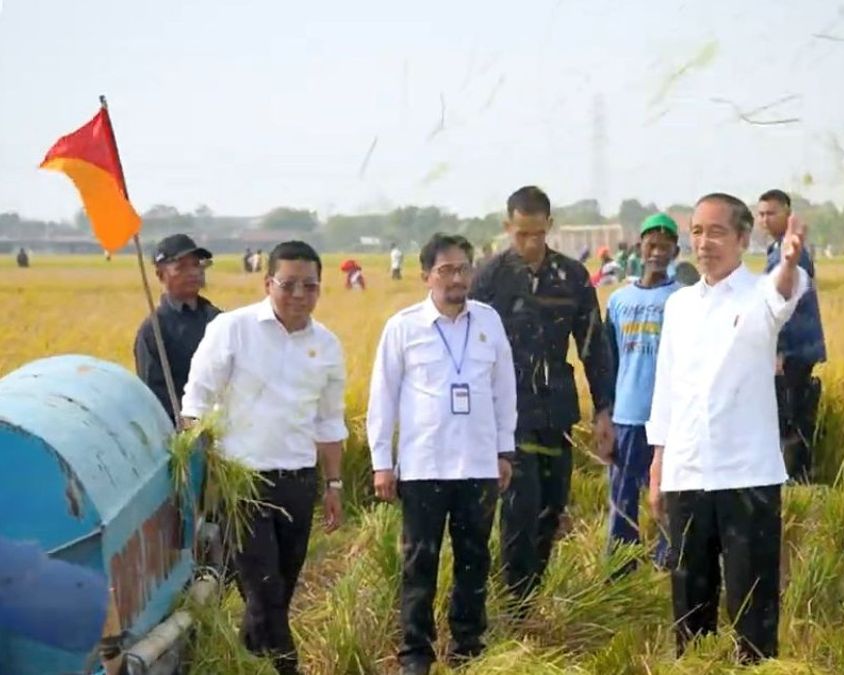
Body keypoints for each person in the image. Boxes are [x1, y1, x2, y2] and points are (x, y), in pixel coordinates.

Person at [646, 193, 810, 664]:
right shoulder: (678, 305)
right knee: (689, 610)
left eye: (716, 232)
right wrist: (659, 464)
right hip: (687, 475)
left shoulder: (759, 294)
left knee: (752, 608)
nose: (704, 242)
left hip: (747, 478)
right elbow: (667, 390)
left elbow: (783, 292)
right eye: (697, 232)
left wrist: (791, 261)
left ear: (743, 238)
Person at [181, 241, 347, 675]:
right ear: (267, 282)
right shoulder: (232, 329)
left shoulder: (326, 345)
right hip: (244, 482)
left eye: (309, 286)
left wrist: (334, 485)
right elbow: (195, 404)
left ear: (319, 288)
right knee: (265, 592)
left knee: (277, 594)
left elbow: (329, 423)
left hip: (297, 482)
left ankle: (244, 665)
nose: (298, 295)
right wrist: (197, 466)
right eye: (288, 285)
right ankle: (290, 669)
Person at [367, 233, 517, 675]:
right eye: (445, 269)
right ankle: (416, 653)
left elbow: (503, 391)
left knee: (475, 560)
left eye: (463, 268)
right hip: (423, 466)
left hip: (477, 465)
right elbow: (383, 397)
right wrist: (381, 462)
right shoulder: (404, 327)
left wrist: (503, 451)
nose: (456, 278)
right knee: (420, 563)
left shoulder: (489, 322)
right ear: (425, 276)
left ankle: (469, 645)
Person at [468, 185, 615, 607]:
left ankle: (530, 593)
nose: (530, 243)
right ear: (507, 227)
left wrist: (603, 409)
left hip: (556, 410)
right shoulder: (489, 278)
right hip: (506, 417)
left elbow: (593, 345)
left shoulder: (571, 277)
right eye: (521, 234)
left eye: (537, 234)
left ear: (549, 226)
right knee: (519, 508)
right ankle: (515, 606)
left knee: (551, 511)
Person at [603, 214, 682, 570]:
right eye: (651, 245)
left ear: (675, 252)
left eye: (665, 247)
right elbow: (608, 359)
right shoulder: (618, 301)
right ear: (639, 248)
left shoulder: (682, 300)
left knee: (669, 492)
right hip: (627, 414)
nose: (657, 253)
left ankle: (667, 561)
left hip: (669, 417)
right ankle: (621, 565)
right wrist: (604, 411)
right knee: (622, 496)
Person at [758, 189, 827, 483]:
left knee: (791, 416)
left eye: (771, 213)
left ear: (788, 214)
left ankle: (795, 479)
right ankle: (796, 476)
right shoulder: (778, 250)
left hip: (794, 349)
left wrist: (778, 350)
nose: (764, 219)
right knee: (791, 415)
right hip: (796, 348)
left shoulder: (791, 255)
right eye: (761, 214)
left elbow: (787, 307)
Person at [134, 234, 221, 422]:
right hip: (182, 436)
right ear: (160, 275)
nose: (192, 272)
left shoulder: (219, 320)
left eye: (196, 265)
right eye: (181, 267)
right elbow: (153, 396)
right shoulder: (154, 331)